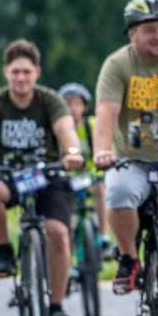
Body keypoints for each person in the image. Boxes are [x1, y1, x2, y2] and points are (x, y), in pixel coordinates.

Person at [0, 39, 84, 316]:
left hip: (47, 175)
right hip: (10, 176)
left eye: (26, 72)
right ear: (6, 72)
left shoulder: (50, 100)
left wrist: (72, 151)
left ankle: (56, 306)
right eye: (15, 72)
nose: (21, 78)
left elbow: (65, 130)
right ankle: (4, 250)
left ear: (37, 73)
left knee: (57, 232)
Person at [92, 0, 158, 294]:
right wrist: (102, 151)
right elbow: (106, 114)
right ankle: (129, 257)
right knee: (118, 191)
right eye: (150, 29)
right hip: (134, 158)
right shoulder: (117, 64)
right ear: (132, 33)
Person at [57, 82, 110, 254]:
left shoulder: (93, 125)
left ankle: (103, 236)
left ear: (84, 106)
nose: (72, 108)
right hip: (66, 177)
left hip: (90, 174)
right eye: (67, 103)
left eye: (76, 103)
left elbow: (105, 144)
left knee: (100, 190)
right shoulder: (57, 128)